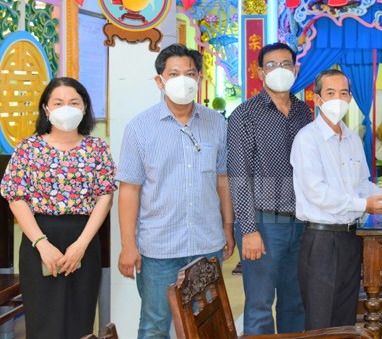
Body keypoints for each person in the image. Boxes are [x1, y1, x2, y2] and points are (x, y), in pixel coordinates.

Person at [117, 43, 235, 339]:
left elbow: (222, 179)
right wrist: (128, 245)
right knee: (155, 324)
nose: (183, 80)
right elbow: (129, 190)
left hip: (206, 244)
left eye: (190, 73)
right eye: (174, 74)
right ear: (160, 81)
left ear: (199, 78)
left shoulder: (216, 123)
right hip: (158, 248)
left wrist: (228, 227)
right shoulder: (139, 128)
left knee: (207, 322)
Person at [1, 77, 116, 338]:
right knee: (44, 324)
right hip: (38, 240)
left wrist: (81, 244)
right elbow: (15, 198)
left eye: (74, 102)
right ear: (46, 108)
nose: (66, 108)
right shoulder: (28, 148)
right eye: (58, 102)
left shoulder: (97, 148)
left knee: (80, 322)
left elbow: (105, 196)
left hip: (84, 240)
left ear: (84, 107)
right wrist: (42, 244)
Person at [290, 69, 382, 330]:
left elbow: (361, 185)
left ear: (350, 98)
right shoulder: (307, 139)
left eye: (344, 93)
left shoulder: (352, 139)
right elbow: (317, 192)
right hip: (322, 240)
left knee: (345, 319)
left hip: (351, 237)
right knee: (320, 322)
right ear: (317, 99)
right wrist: (365, 205)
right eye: (330, 93)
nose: (338, 99)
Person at [227, 43, 312, 334]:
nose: (280, 70)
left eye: (286, 64)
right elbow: (239, 174)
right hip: (263, 222)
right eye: (272, 65)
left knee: (295, 302)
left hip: (300, 221)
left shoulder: (303, 112)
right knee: (260, 305)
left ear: (295, 69)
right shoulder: (244, 115)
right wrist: (249, 230)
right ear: (261, 72)